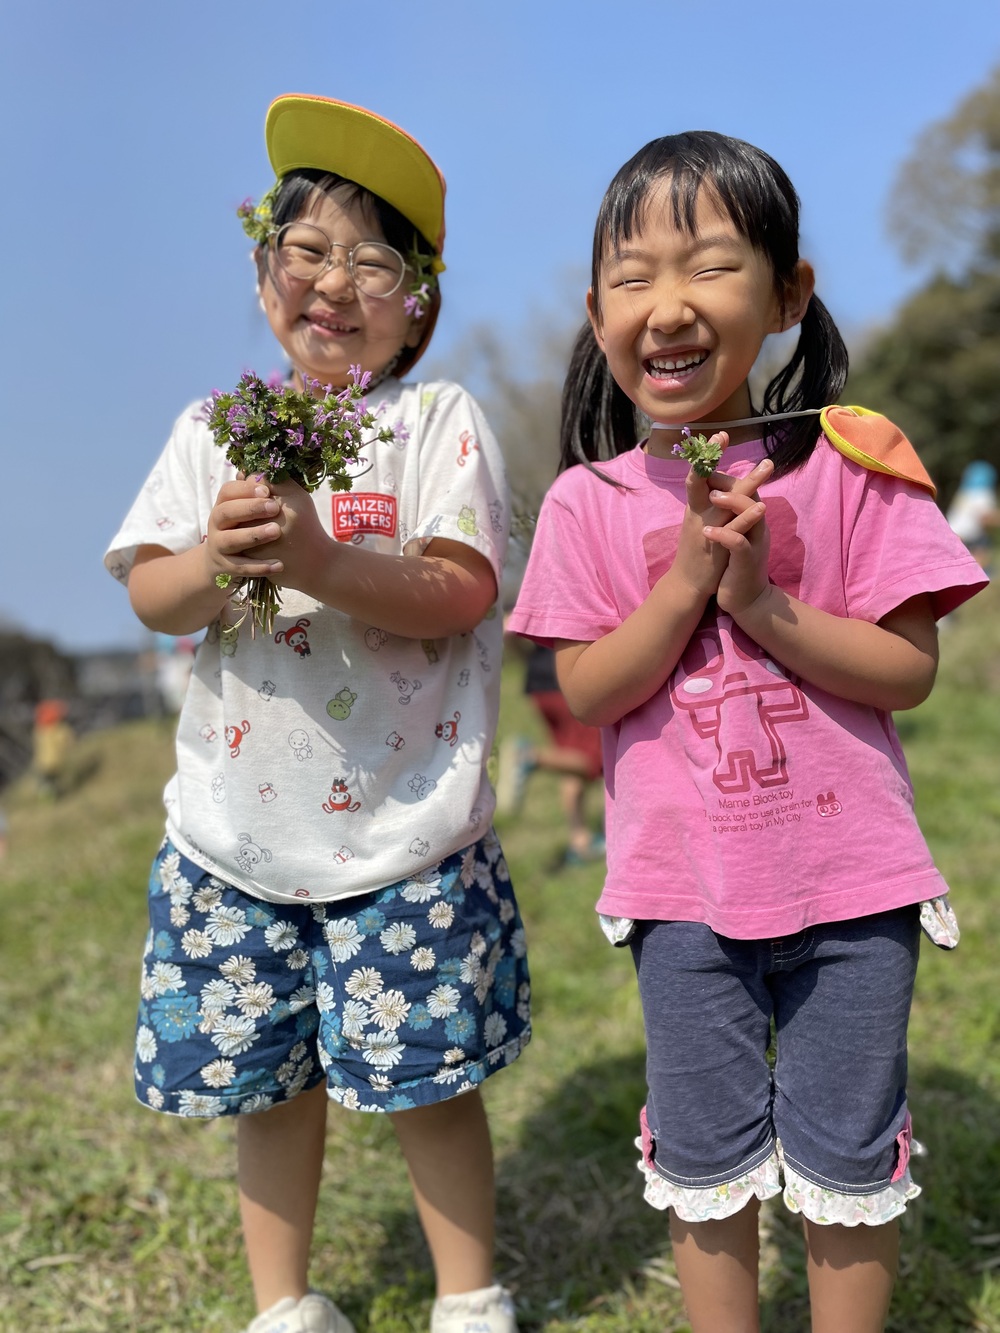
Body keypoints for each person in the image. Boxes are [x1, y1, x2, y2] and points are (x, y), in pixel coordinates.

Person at [507, 131, 987, 1333]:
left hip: (854, 886)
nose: (665, 306)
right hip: (682, 897)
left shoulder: (851, 461)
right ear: (596, 309)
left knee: (846, 1150)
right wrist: (681, 587)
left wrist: (763, 606)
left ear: (787, 295)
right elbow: (588, 691)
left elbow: (907, 671)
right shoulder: (588, 500)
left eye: (710, 266)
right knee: (705, 1153)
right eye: (632, 277)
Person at [105, 94, 528, 1333]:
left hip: (403, 833)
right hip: (237, 837)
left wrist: (320, 558)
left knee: (427, 1086)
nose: (334, 282)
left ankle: (469, 1296)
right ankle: (284, 1305)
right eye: (307, 250)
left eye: (374, 260)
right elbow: (148, 587)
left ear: (422, 302)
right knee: (267, 1088)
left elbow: (461, 587)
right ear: (262, 271)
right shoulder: (212, 431)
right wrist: (224, 561)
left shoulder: (435, 421)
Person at [496, 641, 605, 863]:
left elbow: (510, 630)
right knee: (598, 762)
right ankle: (530, 757)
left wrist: (528, 658)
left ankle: (580, 840)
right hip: (568, 681)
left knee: (568, 759)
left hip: (539, 683)